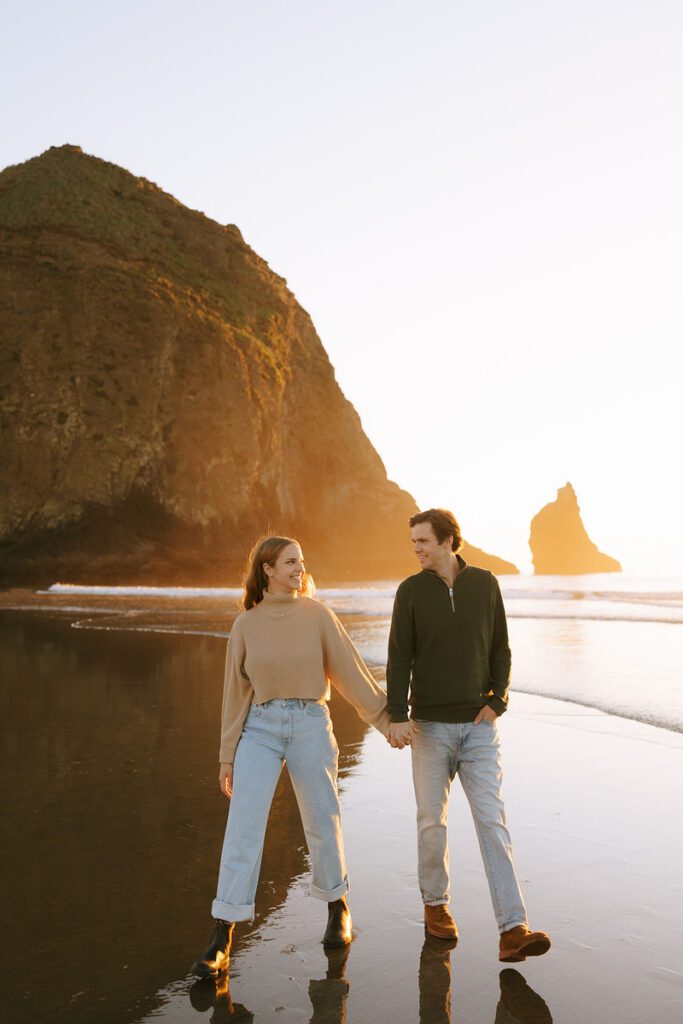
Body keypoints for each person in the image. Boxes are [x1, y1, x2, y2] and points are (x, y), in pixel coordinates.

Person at [191, 534, 390, 978]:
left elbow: (350, 671)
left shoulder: (318, 615)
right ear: (268, 569)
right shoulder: (246, 624)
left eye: (301, 561)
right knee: (243, 826)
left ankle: (338, 907)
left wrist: (385, 719)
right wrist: (227, 755)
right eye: (290, 562)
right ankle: (222, 934)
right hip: (259, 729)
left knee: (323, 819)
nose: (300, 569)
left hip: (309, 724)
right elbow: (235, 694)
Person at [386, 509, 551, 963]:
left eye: (423, 541)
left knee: (492, 822)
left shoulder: (485, 584)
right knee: (430, 822)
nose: (417, 549)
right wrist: (398, 715)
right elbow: (399, 658)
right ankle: (436, 907)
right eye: (414, 542)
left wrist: (498, 701)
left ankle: (512, 929)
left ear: (447, 541)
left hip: (480, 729)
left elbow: (501, 646)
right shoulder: (411, 592)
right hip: (429, 727)